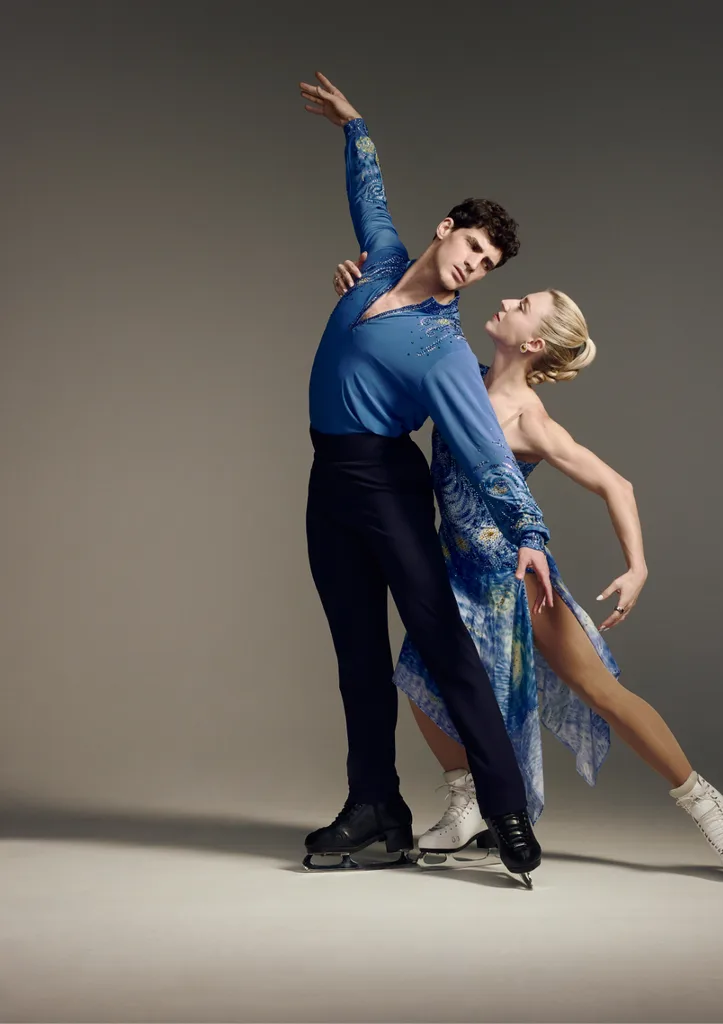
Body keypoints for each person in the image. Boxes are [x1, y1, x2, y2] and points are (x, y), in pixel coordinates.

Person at [331, 259, 723, 883]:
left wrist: (637, 567)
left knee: (600, 691)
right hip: (454, 570)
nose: (506, 301)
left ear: (532, 344)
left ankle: (708, 806)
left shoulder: (530, 420)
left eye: (523, 305)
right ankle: (468, 800)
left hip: (516, 581)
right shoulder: (460, 377)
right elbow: (392, 347)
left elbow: (617, 484)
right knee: (418, 679)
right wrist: (363, 298)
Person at [299, 72, 555, 886]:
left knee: (443, 643)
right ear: (444, 230)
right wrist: (355, 126)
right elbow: (369, 198)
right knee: (355, 655)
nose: (475, 266)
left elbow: (484, 451)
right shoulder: (376, 264)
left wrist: (529, 531)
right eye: (472, 247)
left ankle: (505, 810)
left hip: (386, 487)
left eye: (488, 264)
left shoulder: (443, 349)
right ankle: (374, 806)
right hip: (329, 484)